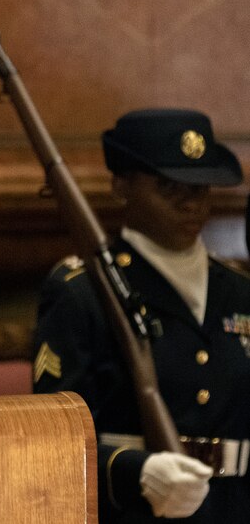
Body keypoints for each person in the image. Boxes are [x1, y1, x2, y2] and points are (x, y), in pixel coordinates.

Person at [33, 108, 250, 523]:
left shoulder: (239, 292)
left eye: (202, 186)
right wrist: (136, 472)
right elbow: (51, 439)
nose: (191, 202)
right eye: (169, 186)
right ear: (121, 186)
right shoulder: (83, 292)